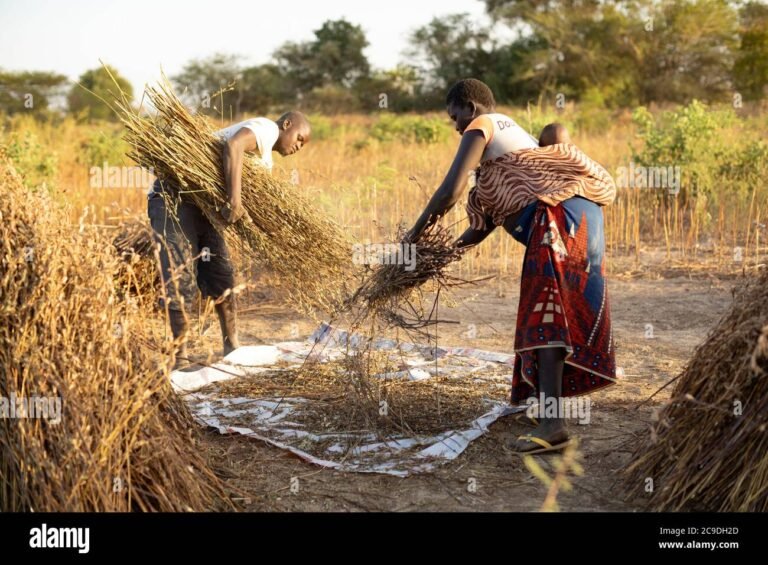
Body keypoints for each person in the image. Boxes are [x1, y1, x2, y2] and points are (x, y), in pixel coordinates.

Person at [405, 78, 616, 454]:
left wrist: (411, 238)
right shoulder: (508, 150)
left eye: (455, 118)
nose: (456, 127)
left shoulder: (482, 125)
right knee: (554, 312)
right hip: (577, 217)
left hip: (558, 218)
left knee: (547, 312)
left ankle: (553, 423)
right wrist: (441, 257)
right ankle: (549, 410)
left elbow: (449, 192)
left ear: (470, 108)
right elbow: (479, 227)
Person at [148, 112, 311, 367]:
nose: (298, 147)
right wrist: (235, 200)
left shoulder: (265, 156)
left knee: (221, 276)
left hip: (203, 206)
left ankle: (231, 347)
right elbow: (233, 145)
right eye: (300, 138)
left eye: (303, 145)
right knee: (180, 278)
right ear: (286, 125)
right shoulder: (267, 128)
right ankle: (179, 358)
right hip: (174, 199)